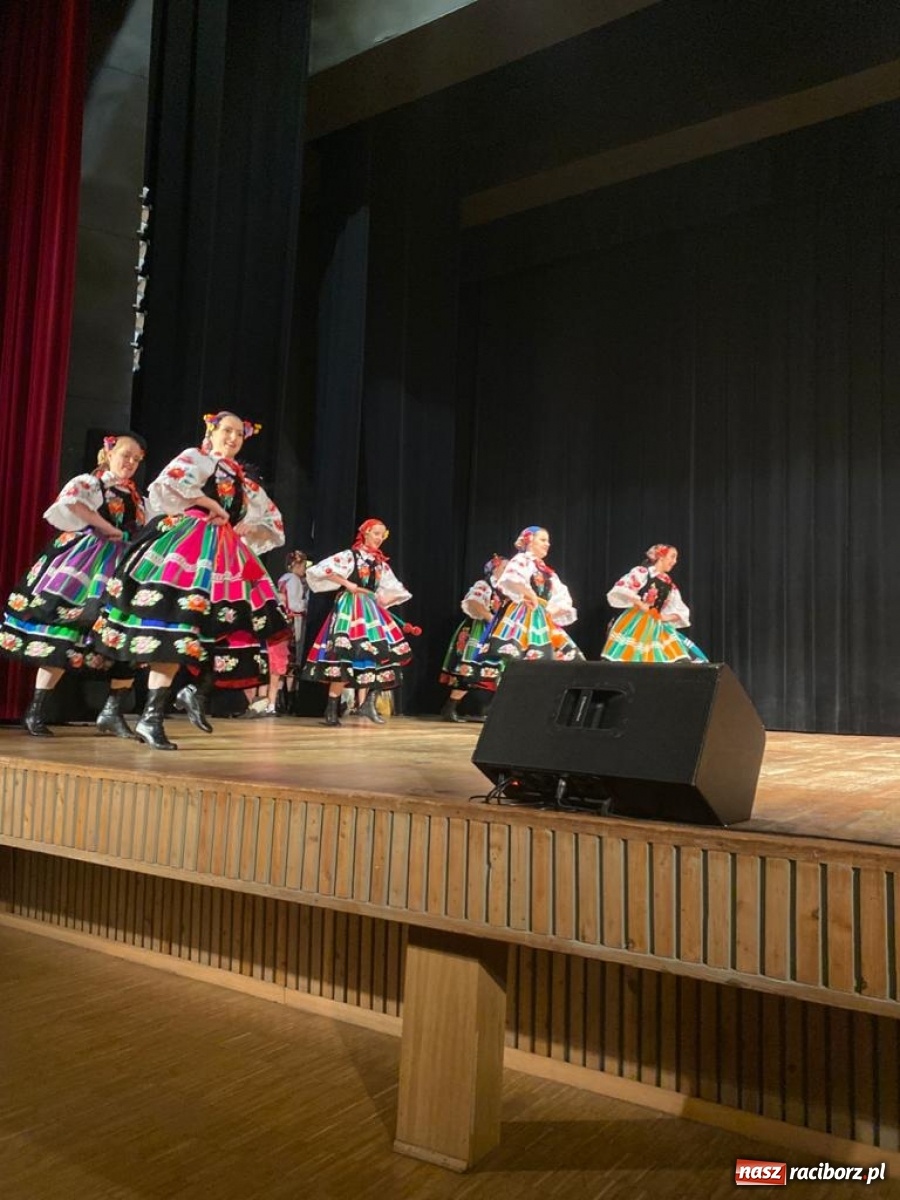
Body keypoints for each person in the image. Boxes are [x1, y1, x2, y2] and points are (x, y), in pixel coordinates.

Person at [93, 412, 287, 749]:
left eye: (239, 435)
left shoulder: (245, 482)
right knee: (174, 624)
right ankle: (152, 716)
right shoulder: (196, 458)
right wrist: (208, 501)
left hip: (226, 554)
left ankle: (192, 690)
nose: (233, 439)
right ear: (211, 430)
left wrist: (246, 527)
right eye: (226, 431)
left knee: (230, 627)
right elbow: (168, 484)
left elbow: (271, 521)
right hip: (189, 546)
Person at [0, 432, 147, 738]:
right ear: (108, 453)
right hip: (84, 561)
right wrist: (106, 527)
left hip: (119, 568)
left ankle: (112, 711)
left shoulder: (136, 496)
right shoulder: (94, 483)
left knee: (126, 634)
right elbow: (71, 502)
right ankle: (36, 711)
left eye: (137, 458)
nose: (131, 462)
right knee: (64, 632)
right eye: (126, 454)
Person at [302, 518, 416, 727]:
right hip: (350, 607)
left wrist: (383, 599)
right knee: (344, 656)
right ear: (365, 533)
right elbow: (322, 570)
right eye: (376, 534)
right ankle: (331, 710)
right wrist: (348, 584)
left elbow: (396, 590)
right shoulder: (350, 556)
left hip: (371, 611)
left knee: (382, 653)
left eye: (382, 535)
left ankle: (369, 701)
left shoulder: (380, 564)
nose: (379, 539)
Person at [481, 526, 582, 670]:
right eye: (543, 540)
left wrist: (554, 608)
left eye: (548, 541)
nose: (547, 544)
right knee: (517, 657)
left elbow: (561, 595)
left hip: (541, 614)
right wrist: (530, 595)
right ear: (529, 540)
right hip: (522, 612)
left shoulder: (547, 571)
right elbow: (512, 577)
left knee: (553, 658)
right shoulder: (522, 559)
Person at [601, 543, 708, 662]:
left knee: (667, 657)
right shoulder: (643, 572)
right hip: (635, 622)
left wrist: (663, 616)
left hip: (657, 625)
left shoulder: (669, 583)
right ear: (661, 556)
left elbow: (681, 610)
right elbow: (622, 589)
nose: (675, 561)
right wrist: (641, 604)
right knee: (633, 655)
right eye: (672, 556)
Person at [439, 553, 508, 723]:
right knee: (470, 668)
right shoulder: (484, 585)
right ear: (496, 568)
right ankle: (450, 707)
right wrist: (491, 619)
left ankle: (492, 709)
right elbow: (473, 603)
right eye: (506, 567)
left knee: (499, 668)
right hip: (479, 629)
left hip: (499, 631)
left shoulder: (507, 589)